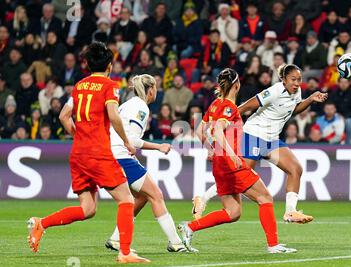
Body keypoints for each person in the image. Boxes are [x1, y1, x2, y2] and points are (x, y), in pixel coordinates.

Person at [27, 42, 149, 263]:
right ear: (109, 66)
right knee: (127, 200)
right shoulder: (110, 86)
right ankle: (125, 252)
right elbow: (113, 115)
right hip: (98, 154)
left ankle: (41, 223)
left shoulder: (80, 85)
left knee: (88, 208)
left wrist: (80, 136)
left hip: (78, 154)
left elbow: (64, 116)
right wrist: (126, 141)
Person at [178, 68, 297, 254]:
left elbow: (200, 130)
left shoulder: (215, 104)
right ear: (237, 85)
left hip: (219, 164)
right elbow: (217, 129)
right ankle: (273, 245)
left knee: (233, 212)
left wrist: (212, 149)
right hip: (231, 163)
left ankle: (190, 228)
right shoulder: (229, 107)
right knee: (265, 198)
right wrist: (232, 154)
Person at [193, 64, 327, 224]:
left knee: (295, 169)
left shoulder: (296, 91)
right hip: (253, 135)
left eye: (299, 79)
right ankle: (203, 198)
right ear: (283, 79)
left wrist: (310, 100)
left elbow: (293, 109)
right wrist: (227, 118)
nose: (297, 83)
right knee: (239, 177)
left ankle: (290, 212)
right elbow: (249, 105)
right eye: (293, 79)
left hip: (272, 139)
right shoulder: (274, 91)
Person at [104, 74, 189, 253]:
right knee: (156, 195)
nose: (156, 91)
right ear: (150, 90)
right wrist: (158, 147)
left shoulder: (128, 104)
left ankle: (116, 238)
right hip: (122, 157)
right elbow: (133, 140)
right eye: (155, 88)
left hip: (113, 154)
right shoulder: (141, 107)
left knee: (141, 197)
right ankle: (175, 243)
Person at [328, 78, 351, 144]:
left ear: (349, 83)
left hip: (349, 117)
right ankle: (329, 142)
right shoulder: (333, 94)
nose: (343, 84)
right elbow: (329, 106)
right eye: (341, 82)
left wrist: (345, 117)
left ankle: (347, 143)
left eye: (345, 82)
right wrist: (336, 114)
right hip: (335, 116)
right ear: (338, 83)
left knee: (348, 122)